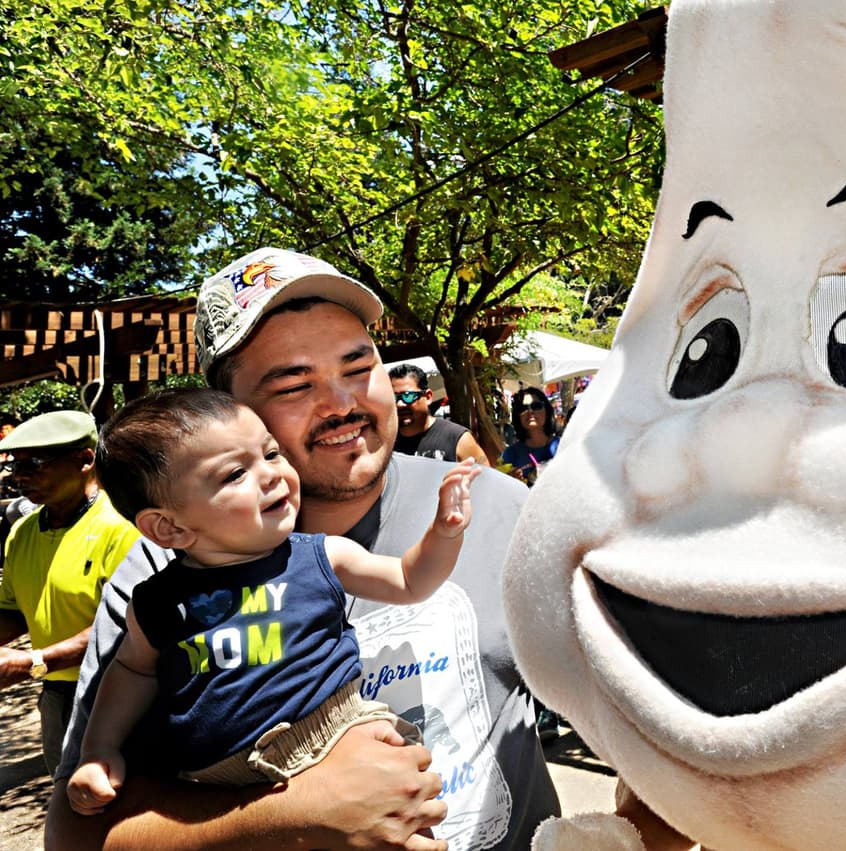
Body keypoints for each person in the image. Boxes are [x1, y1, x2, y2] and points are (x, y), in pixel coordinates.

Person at [46, 247, 559, 851]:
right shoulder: (158, 577)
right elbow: (73, 834)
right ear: (231, 412)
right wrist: (292, 816)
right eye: (294, 383)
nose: (342, 402)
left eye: (358, 364)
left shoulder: (500, 508)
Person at [66, 387, 481, 815]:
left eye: (271, 453)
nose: (270, 474)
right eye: (233, 475)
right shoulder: (156, 602)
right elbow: (132, 670)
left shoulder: (321, 556)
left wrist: (443, 533)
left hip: (335, 737)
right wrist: (98, 750)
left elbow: (409, 580)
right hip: (215, 783)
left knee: (397, 814)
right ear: (168, 528)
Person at [0, 410, 140, 775]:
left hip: (120, 691)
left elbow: (123, 625)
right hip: (57, 695)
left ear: (85, 459)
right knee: (69, 796)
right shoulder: (24, 532)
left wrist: (33, 661)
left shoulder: (123, 526)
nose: (19, 475)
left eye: (35, 463)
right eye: (16, 464)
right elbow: (14, 612)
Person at [388, 363, 490, 466]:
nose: (400, 404)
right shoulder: (384, 443)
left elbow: (485, 478)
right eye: (394, 398)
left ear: (428, 397)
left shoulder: (456, 439)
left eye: (408, 396)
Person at [501, 387, 560, 485]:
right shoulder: (510, 454)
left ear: (547, 412)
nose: (530, 411)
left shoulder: (562, 446)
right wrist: (510, 482)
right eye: (523, 408)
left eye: (536, 406)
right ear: (518, 416)